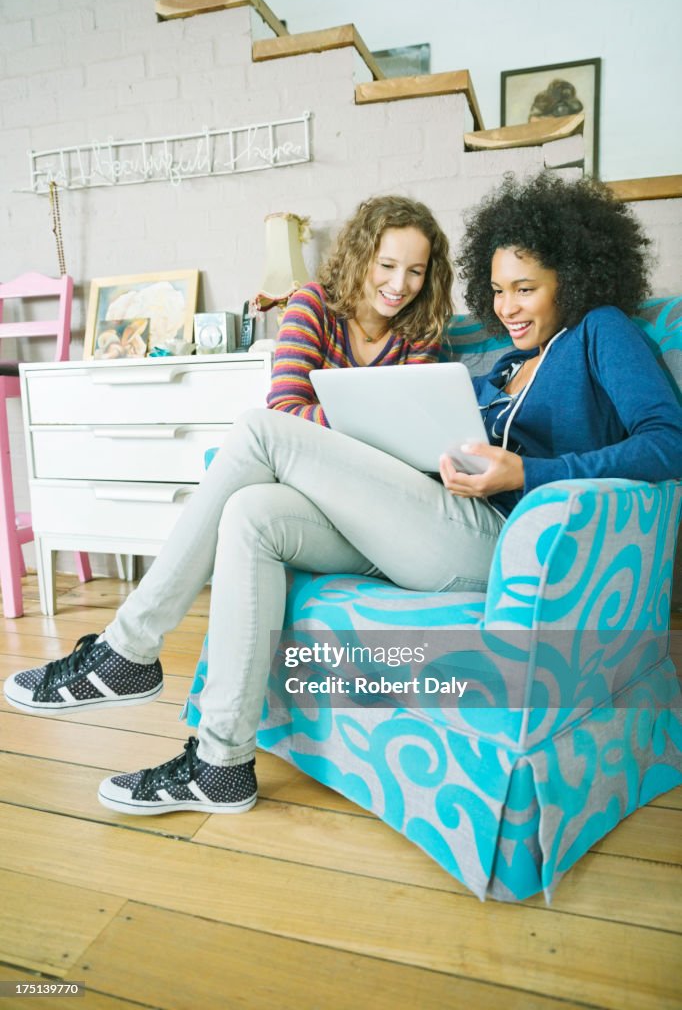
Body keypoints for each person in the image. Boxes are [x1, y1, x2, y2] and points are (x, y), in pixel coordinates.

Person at [5, 173, 681, 816]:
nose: (505, 308)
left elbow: (669, 440)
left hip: (499, 541)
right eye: (499, 290)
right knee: (252, 514)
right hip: (430, 522)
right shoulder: (506, 363)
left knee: (259, 430)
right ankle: (221, 764)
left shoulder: (599, 333)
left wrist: (523, 474)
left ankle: (129, 649)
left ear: (575, 279)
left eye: (525, 289)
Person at [265, 194, 452, 424]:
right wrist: (371, 414)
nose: (399, 285)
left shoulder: (423, 325)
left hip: (381, 458)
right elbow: (283, 414)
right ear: (359, 258)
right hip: (311, 451)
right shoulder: (312, 306)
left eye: (415, 271)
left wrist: (352, 415)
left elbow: (411, 420)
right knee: (251, 425)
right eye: (387, 265)